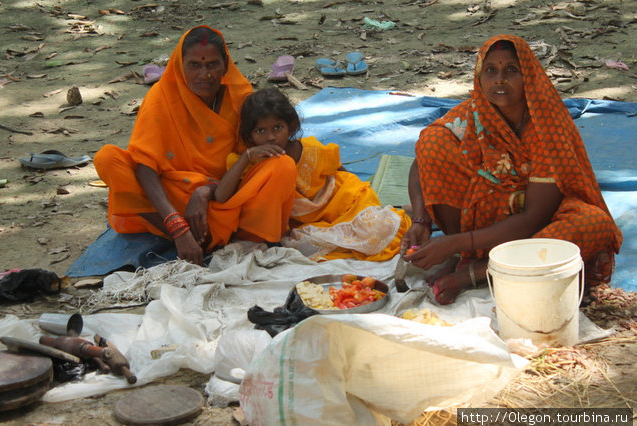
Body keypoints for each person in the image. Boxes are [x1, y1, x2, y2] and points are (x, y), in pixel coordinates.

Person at [401, 34, 622, 305]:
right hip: (485, 225)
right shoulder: (474, 113)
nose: (500, 80)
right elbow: (421, 162)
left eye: (511, 71)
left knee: (593, 222)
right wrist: (421, 221)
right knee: (433, 141)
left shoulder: (547, 127)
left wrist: (454, 244)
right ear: (479, 77)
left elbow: (533, 218)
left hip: (538, 228)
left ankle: (479, 271)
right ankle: (475, 255)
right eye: (491, 70)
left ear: (528, 76)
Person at [93, 26, 297, 266]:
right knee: (107, 158)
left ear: (225, 64)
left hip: (224, 198)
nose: (205, 74)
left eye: (212, 64)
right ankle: (186, 239)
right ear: (181, 65)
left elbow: (254, 157)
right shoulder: (161, 97)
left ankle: (244, 239)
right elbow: (144, 164)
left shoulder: (240, 96)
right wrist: (177, 228)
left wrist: (205, 191)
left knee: (281, 165)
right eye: (194, 65)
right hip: (173, 201)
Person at [217, 88, 410, 261]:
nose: (271, 137)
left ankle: (404, 212)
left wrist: (364, 199)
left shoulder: (311, 149)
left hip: (342, 203)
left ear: (291, 126)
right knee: (303, 244)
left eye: (278, 127)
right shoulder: (250, 162)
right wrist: (247, 156)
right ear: (250, 136)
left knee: (380, 228)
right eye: (261, 130)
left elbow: (342, 174)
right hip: (308, 224)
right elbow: (221, 196)